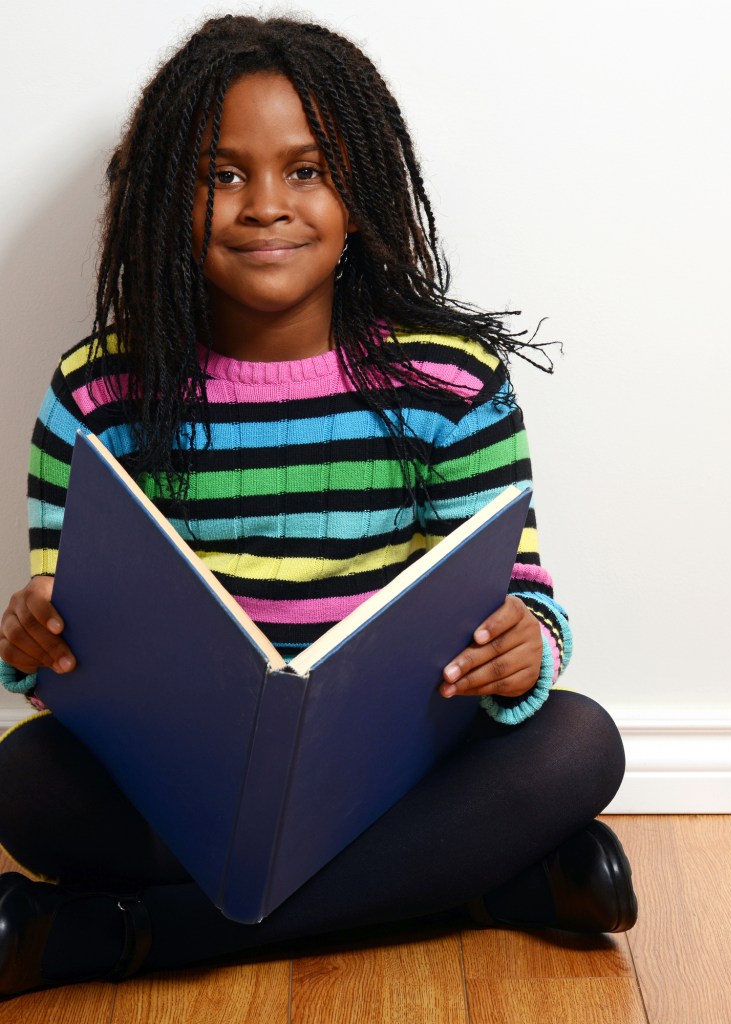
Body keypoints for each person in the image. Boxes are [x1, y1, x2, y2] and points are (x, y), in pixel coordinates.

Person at [0, 14, 636, 996]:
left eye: (305, 170)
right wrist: (33, 647)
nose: (265, 206)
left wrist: (526, 649)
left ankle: (121, 935)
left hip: (392, 775)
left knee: (578, 741)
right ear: (169, 194)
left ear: (360, 196)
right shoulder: (96, 396)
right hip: (194, 789)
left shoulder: (447, 382)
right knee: (27, 780)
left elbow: (528, 601)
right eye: (221, 174)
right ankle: (478, 885)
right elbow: (63, 665)